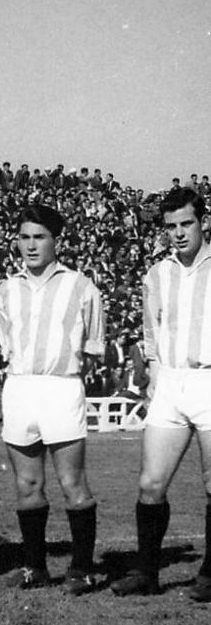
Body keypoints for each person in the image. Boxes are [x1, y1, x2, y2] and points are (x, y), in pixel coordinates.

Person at [0, 204, 104, 594]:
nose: (31, 245)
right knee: (27, 483)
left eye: (39, 236)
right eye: (24, 237)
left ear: (56, 240)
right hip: (21, 386)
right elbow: (7, 344)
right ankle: (34, 566)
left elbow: (93, 348)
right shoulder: (5, 289)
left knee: (72, 481)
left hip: (61, 386)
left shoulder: (82, 286)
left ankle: (81, 568)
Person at [112, 187, 211, 599]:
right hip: (171, 382)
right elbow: (151, 334)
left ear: (203, 222)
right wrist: (154, 379)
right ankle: (147, 574)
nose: (179, 233)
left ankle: (210, 575)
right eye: (171, 227)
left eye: (186, 223)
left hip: (209, 380)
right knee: (151, 483)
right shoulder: (157, 274)